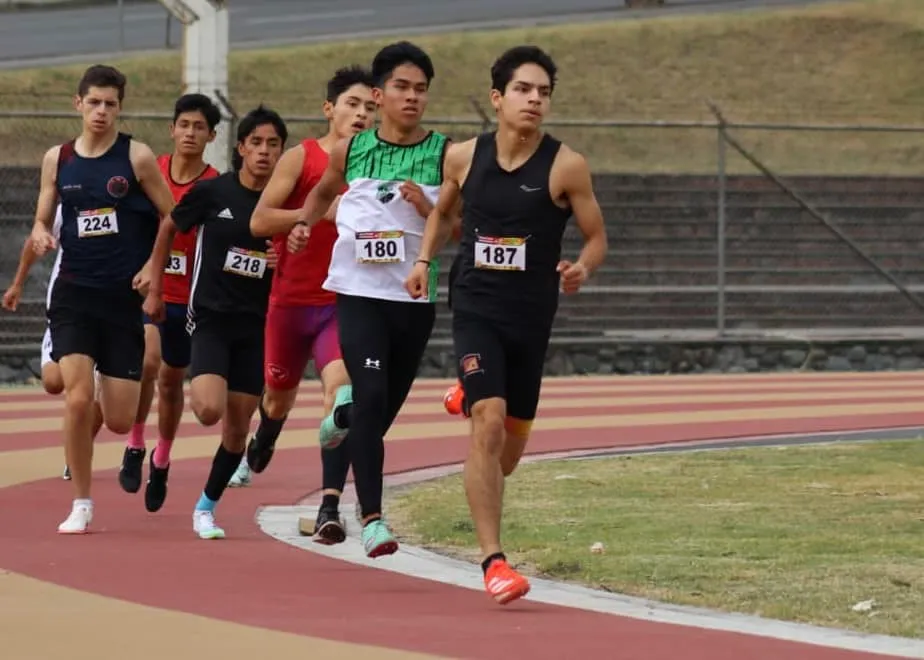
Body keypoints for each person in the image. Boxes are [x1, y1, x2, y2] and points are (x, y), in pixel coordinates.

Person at [405, 46, 608, 605]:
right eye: (523, 90)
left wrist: (581, 268)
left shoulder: (566, 166)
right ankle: (494, 563)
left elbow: (596, 238)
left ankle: (469, 390)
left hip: (531, 319)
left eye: (543, 92)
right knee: (487, 424)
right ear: (498, 98)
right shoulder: (465, 157)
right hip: (475, 308)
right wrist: (423, 261)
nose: (534, 100)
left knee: (508, 457)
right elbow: (445, 213)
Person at [288, 42, 448, 558]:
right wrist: (303, 224)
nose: (412, 97)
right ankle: (374, 520)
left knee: (377, 415)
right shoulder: (350, 150)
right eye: (402, 87)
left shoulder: (445, 154)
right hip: (358, 294)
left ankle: (342, 422)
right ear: (379, 95)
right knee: (372, 395)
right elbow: (320, 192)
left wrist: (426, 206)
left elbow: (456, 225)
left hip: (413, 298)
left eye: (421, 89)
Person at [29, 64, 177, 534]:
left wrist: (151, 269)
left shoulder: (136, 157)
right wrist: (38, 234)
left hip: (121, 301)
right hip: (74, 293)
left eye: (110, 104)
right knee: (74, 399)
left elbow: (171, 217)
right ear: (78, 104)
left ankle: (97, 389)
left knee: (116, 419)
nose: (101, 111)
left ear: (120, 108)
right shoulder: (58, 158)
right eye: (93, 102)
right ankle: (82, 502)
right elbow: (42, 215)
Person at [237, 66, 377, 544]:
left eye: (369, 108)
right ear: (329, 109)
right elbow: (259, 221)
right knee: (277, 396)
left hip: (341, 302)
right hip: (290, 303)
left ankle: (330, 505)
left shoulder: (378, 162)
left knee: (342, 399)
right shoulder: (303, 157)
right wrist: (313, 214)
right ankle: (268, 431)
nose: (361, 114)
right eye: (352, 105)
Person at [143, 105, 287, 540]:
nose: (263, 152)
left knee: (238, 429)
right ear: (240, 148)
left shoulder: (284, 203)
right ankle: (163, 452)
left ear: (282, 152)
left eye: (273, 144)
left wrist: (282, 259)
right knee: (208, 410)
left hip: (257, 325)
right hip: (209, 316)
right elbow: (170, 225)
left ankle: (206, 507)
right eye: (256, 143)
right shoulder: (214, 192)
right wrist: (153, 283)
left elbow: (302, 249)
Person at [116, 93, 222, 513]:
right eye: (184, 125)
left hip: (189, 302)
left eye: (199, 127)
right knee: (147, 363)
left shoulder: (215, 186)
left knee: (172, 383)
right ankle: (136, 442)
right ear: (172, 129)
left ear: (211, 135)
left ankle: (161, 457)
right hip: (149, 293)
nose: (190, 133)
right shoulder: (151, 171)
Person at [2, 204, 104, 480]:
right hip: (66, 312)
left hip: (108, 315)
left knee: (89, 396)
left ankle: (78, 452)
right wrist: (18, 283)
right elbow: (35, 241)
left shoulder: (129, 205)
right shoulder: (70, 204)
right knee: (53, 381)